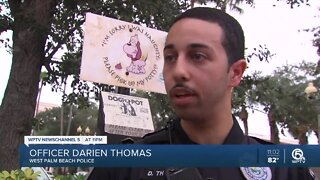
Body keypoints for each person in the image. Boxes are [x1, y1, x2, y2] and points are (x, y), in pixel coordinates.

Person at [87, 7, 317, 180]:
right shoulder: (122, 167)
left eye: (198, 56)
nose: (178, 71)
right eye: (170, 58)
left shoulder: (285, 170)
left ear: (236, 73)